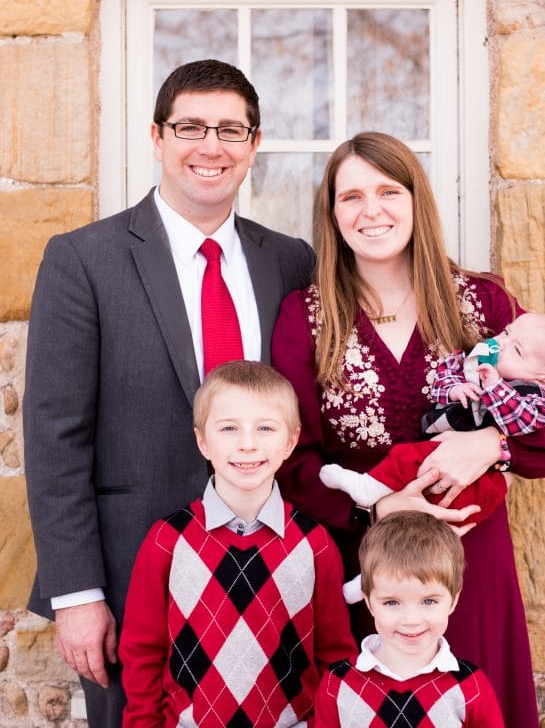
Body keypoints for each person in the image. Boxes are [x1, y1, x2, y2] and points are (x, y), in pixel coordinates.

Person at [23, 60, 315, 728]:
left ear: (254, 144)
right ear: (157, 137)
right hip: (132, 581)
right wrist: (77, 593)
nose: (209, 147)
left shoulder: (290, 261)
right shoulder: (83, 260)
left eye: (230, 131)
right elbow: (54, 437)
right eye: (190, 127)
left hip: (269, 572)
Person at [271, 131, 545, 727]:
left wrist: (491, 443)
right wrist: (376, 508)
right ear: (332, 214)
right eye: (351, 197)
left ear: (416, 200)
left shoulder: (480, 302)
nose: (372, 210)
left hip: (469, 565)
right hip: (368, 569)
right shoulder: (306, 316)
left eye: (389, 191)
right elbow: (292, 458)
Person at [120, 360, 357, 726]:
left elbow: (335, 655)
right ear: (203, 441)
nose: (247, 445)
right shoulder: (168, 541)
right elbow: (142, 653)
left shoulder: (315, 544)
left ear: (291, 441)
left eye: (265, 428)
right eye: (229, 428)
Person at [320, 310, 545, 602]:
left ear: (541, 379)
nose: (500, 343)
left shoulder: (531, 393)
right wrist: (457, 387)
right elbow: (446, 376)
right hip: (396, 496)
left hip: (476, 498)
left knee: (428, 530)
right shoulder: (482, 358)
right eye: (506, 333)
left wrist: (492, 444)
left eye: (517, 349)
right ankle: (372, 542)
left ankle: (369, 515)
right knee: (408, 475)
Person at [313, 512, 505, 727]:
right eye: (392, 602)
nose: (411, 620)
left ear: (453, 600)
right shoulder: (338, 683)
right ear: (369, 602)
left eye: (429, 601)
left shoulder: (470, 687)